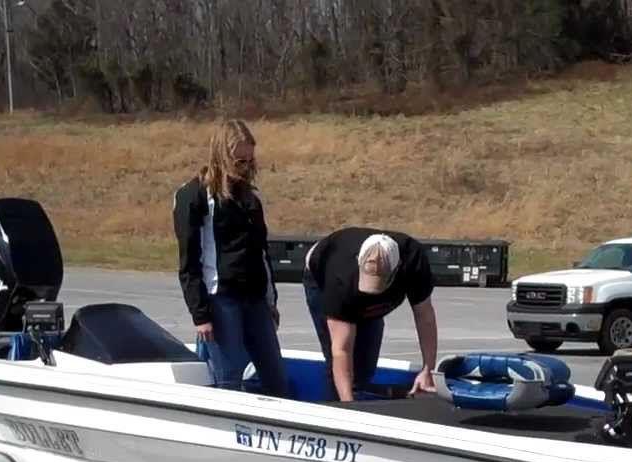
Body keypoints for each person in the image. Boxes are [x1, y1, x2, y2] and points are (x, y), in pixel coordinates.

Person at [172, 119, 288, 397]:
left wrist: (271, 301)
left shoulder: (250, 199)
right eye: (239, 162)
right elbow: (189, 260)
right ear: (222, 156)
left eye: (249, 161)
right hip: (220, 298)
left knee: (275, 375)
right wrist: (200, 315)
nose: (246, 168)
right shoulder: (195, 196)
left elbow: (261, 253)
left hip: (255, 297)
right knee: (229, 378)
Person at [303, 226, 438, 402]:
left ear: (397, 269)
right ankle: (336, 411)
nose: (371, 295)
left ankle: (357, 395)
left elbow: (425, 317)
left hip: (362, 284)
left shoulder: (413, 260)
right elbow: (341, 350)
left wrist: (428, 369)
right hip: (319, 276)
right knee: (337, 364)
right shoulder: (339, 278)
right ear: (359, 261)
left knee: (365, 365)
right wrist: (348, 407)